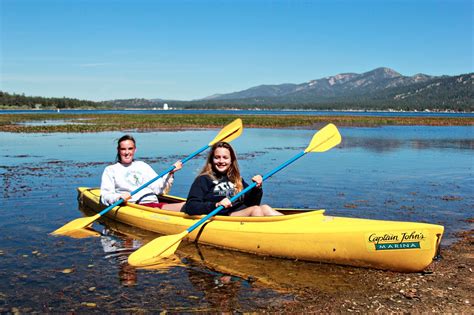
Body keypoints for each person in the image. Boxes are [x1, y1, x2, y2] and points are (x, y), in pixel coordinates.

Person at [182, 141, 282, 216]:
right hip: (224, 215)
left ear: (231, 160)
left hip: (240, 212)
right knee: (256, 210)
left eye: (225, 157)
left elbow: (252, 203)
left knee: (265, 208)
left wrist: (257, 188)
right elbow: (191, 206)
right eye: (217, 157)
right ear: (212, 160)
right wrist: (216, 205)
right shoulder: (203, 179)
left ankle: (292, 227)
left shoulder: (236, 178)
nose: (221, 161)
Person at [100, 134, 185, 211]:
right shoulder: (111, 170)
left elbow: (159, 189)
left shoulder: (142, 165)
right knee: (186, 207)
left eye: (130, 149)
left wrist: (171, 173)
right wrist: (119, 198)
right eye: (123, 149)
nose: (127, 153)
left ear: (135, 150)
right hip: (136, 206)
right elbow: (105, 196)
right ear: (118, 150)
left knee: (190, 204)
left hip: (153, 202)